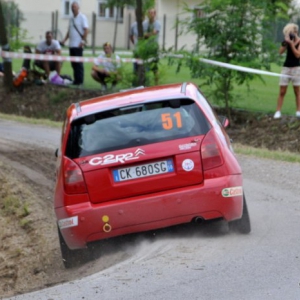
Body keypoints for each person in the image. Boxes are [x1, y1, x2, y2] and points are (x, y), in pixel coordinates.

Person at [274, 23, 300, 119]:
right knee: (282, 91)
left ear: (296, 32)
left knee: (297, 91)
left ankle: (298, 111)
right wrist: (286, 42)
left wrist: (292, 44)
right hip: (286, 68)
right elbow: (280, 52)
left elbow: (298, 55)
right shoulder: (288, 41)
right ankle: (278, 111)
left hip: (296, 68)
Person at [61, 1, 88, 86]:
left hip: (78, 44)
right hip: (71, 44)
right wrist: (64, 40)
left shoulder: (82, 17)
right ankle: (76, 80)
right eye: (72, 7)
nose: (73, 9)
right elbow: (69, 30)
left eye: (75, 7)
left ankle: (80, 81)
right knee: (73, 63)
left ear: (78, 8)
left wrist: (82, 41)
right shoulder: (71, 18)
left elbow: (86, 30)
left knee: (78, 64)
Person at [142, 8, 161, 85]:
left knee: (154, 67)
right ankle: (145, 83)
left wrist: (148, 34)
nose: (151, 14)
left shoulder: (157, 24)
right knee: (144, 66)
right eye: (149, 13)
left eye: (152, 13)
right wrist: (149, 34)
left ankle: (156, 83)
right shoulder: (144, 24)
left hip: (154, 48)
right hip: (146, 47)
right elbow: (144, 35)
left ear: (155, 14)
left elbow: (154, 34)